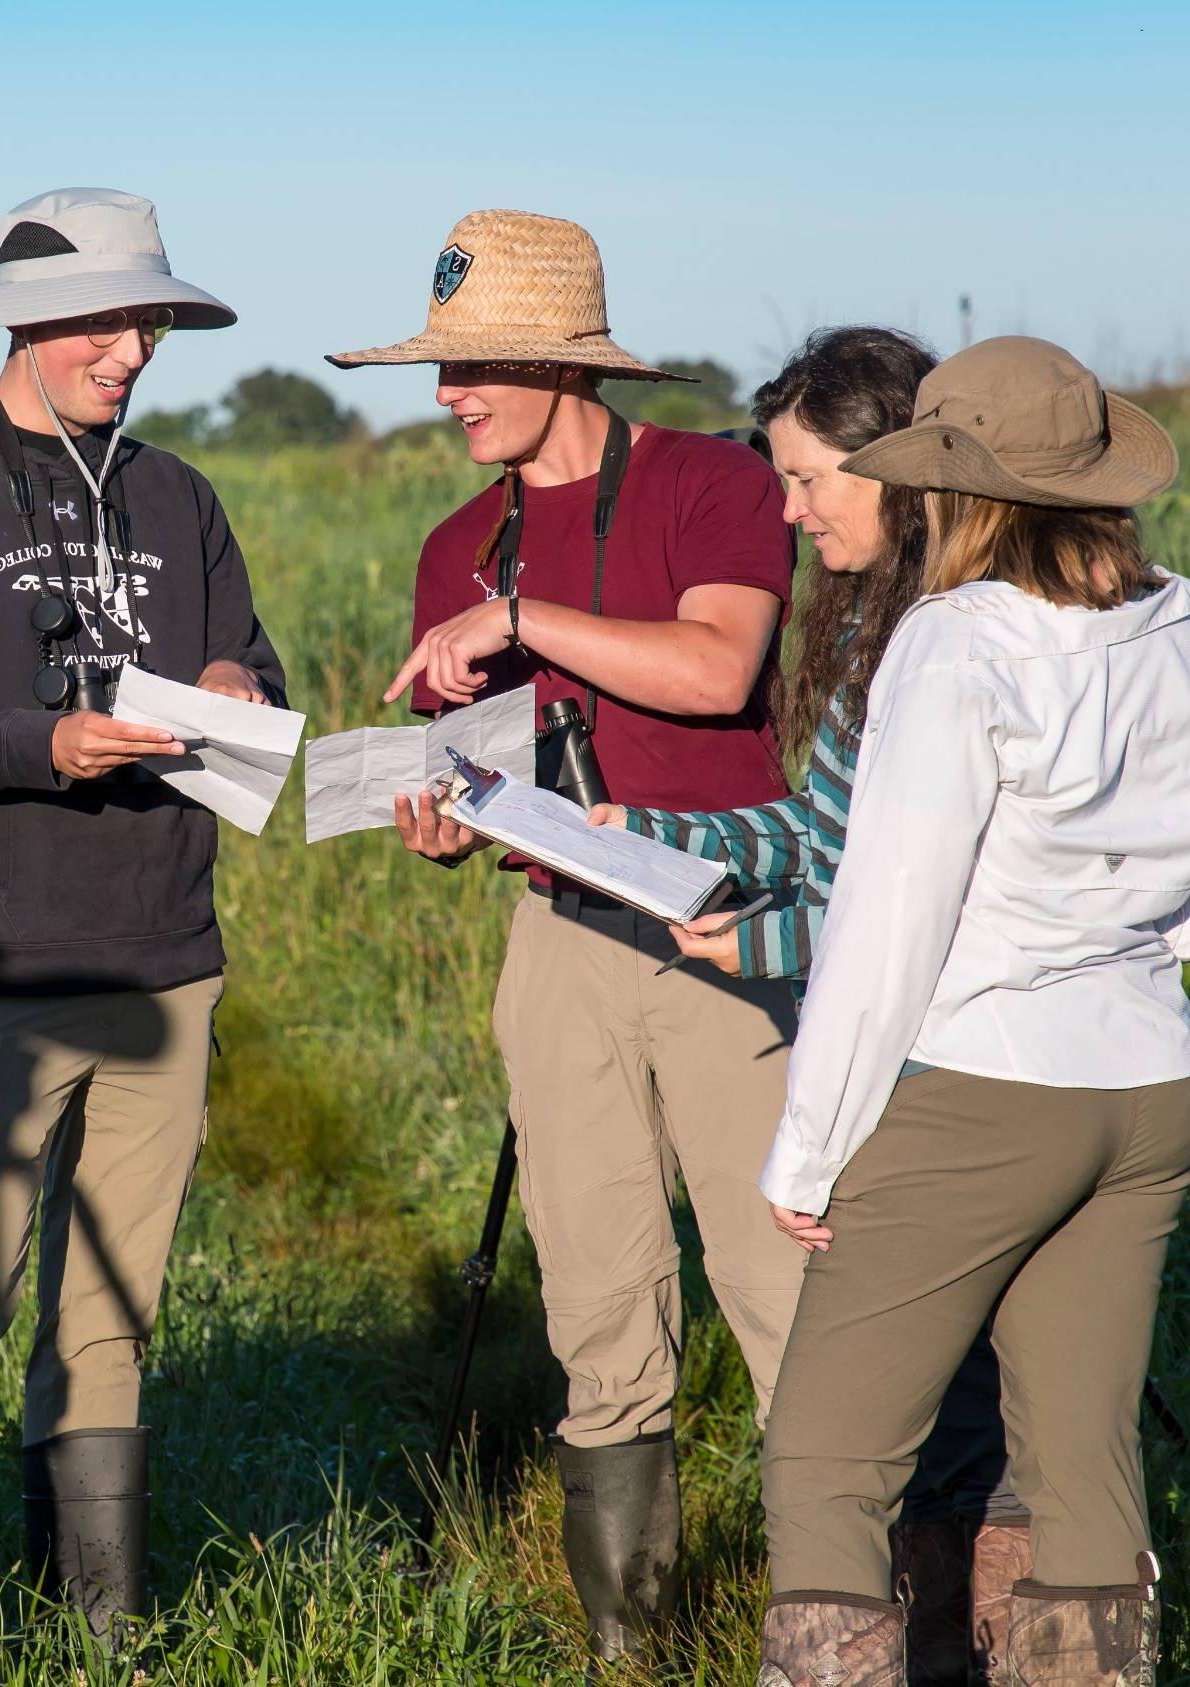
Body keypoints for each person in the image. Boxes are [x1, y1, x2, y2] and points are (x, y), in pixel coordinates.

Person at [751, 337, 1190, 1686]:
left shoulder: (954, 642)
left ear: (959, 490)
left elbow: (887, 923)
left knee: (825, 1457)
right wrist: (1170, 934)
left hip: (984, 1086)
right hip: (1146, 1089)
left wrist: (807, 1148)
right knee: (1083, 1470)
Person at [0, 186, 283, 1678]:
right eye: (104, 322)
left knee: (111, 1324)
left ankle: (98, 1642)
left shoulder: (177, 496)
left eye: (147, 319)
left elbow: (247, 661)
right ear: (26, 323)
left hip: (170, 962)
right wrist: (46, 744)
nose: (133, 351)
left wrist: (237, 679)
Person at [326, 209, 801, 1656]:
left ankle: (837, 1625)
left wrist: (525, 620)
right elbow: (489, 769)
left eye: (472, 365)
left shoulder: (715, 485)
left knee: (781, 1290)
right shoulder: (455, 547)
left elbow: (722, 673)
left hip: (726, 927)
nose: (447, 393)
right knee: (597, 1296)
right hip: (564, 935)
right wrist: (450, 822)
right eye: (442, 368)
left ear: (560, 361)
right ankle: (633, 1645)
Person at [591, 327, 1032, 1682]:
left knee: (951, 1413)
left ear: (896, 470)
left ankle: (959, 1642)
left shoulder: (956, 643)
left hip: (965, 1075)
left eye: (804, 480)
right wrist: (661, 837)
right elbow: (831, 833)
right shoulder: (875, 626)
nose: (784, 513)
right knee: (949, 1402)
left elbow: (938, 910)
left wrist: (760, 942)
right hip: (903, 1078)